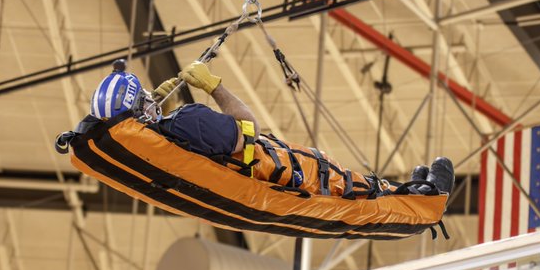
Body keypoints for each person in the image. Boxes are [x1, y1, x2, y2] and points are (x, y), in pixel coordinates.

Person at [89, 59, 454, 199]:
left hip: (271, 173)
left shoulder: (164, 142)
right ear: (141, 111)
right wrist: (213, 85)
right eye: (145, 101)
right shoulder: (185, 121)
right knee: (350, 186)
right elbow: (248, 127)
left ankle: (410, 190)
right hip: (285, 172)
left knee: (353, 183)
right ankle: (426, 196)